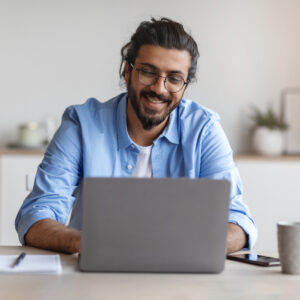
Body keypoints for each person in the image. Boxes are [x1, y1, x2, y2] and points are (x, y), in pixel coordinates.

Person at [15, 17, 257, 254]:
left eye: (174, 78)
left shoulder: (204, 129)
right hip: (95, 281)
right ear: (127, 72)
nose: (159, 88)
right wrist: (86, 242)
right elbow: (36, 215)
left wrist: (183, 248)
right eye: (148, 72)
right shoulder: (81, 125)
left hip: (183, 283)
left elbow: (238, 220)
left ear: (184, 85)